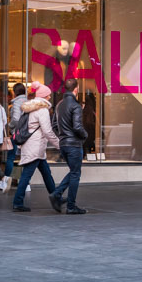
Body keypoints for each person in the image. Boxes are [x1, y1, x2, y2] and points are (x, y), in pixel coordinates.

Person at [12, 84, 60, 212]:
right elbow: (47, 131)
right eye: (48, 95)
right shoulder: (42, 110)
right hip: (35, 147)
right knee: (26, 175)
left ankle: (56, 197)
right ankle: (17, 202)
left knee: (46, 174)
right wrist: (59, 145)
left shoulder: (30, 108)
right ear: (44, 96)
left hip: (32, 146)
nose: (50, 96)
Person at [50, 78, 89, 214]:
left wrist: (62, 136)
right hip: (74, 144)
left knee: (73, 171)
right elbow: (77, 127)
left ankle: (57, 194)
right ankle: (70, 206)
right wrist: (85, 135)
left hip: (64, 144)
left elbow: (54, 125)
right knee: (75, 173)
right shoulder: (76, 105)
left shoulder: (60, 104)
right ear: (76, 89)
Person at [0, 83, 27, 191]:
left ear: (15, 92)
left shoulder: (17, 102)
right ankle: (25, 184)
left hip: (17, 133)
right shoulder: (27, 101)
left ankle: (5, 181)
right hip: (26, 134)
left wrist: (10, 126)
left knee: (10, 157)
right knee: (25, 158)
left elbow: (16, 119)